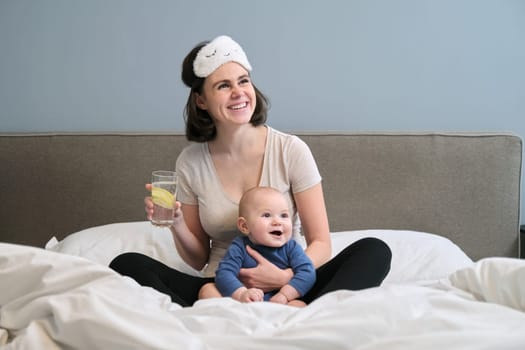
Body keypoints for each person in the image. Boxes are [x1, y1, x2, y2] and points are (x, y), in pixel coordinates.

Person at [109, 35, 392, 307]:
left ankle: (292, 313)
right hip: (223, 288)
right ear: (201, 100)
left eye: (243, 81)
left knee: (374, 250)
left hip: (292, 286)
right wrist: (177, 222)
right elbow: (198, 259)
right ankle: (227, 316)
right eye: (222, 86)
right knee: (126, 264)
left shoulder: (290, 150)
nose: (238, 93)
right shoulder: (190, 162)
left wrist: (286, 280)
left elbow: (320, 242)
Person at [199, 186, 315, 307]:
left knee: (299, 305)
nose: (277, 221)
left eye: (284, 215)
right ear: (244, 226)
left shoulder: (291, 247)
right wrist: (241, 294)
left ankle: (277, 323)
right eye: (266, 215)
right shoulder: (240, 246)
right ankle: (236, 319)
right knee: (207, 290)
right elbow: (224, 273)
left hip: (278, 303)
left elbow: (308, 272)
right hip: (243, 302)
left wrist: (284, 295)